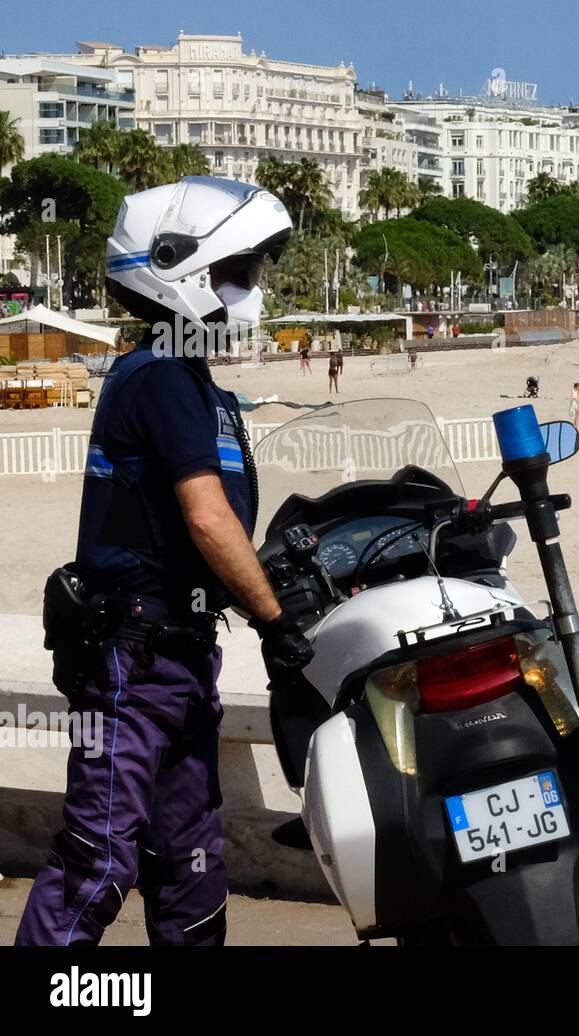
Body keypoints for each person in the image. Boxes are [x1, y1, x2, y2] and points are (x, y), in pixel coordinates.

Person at [16, 177, 313, 947]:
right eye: (239, 271)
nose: (251, 290)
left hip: (179, 655)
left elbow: (218, 531)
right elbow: (208, 519)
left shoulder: (189, 379)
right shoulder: (157, 375)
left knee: (189, 864)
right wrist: (276, 624)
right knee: (99, 860)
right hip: (129, 662)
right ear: (181, 269)